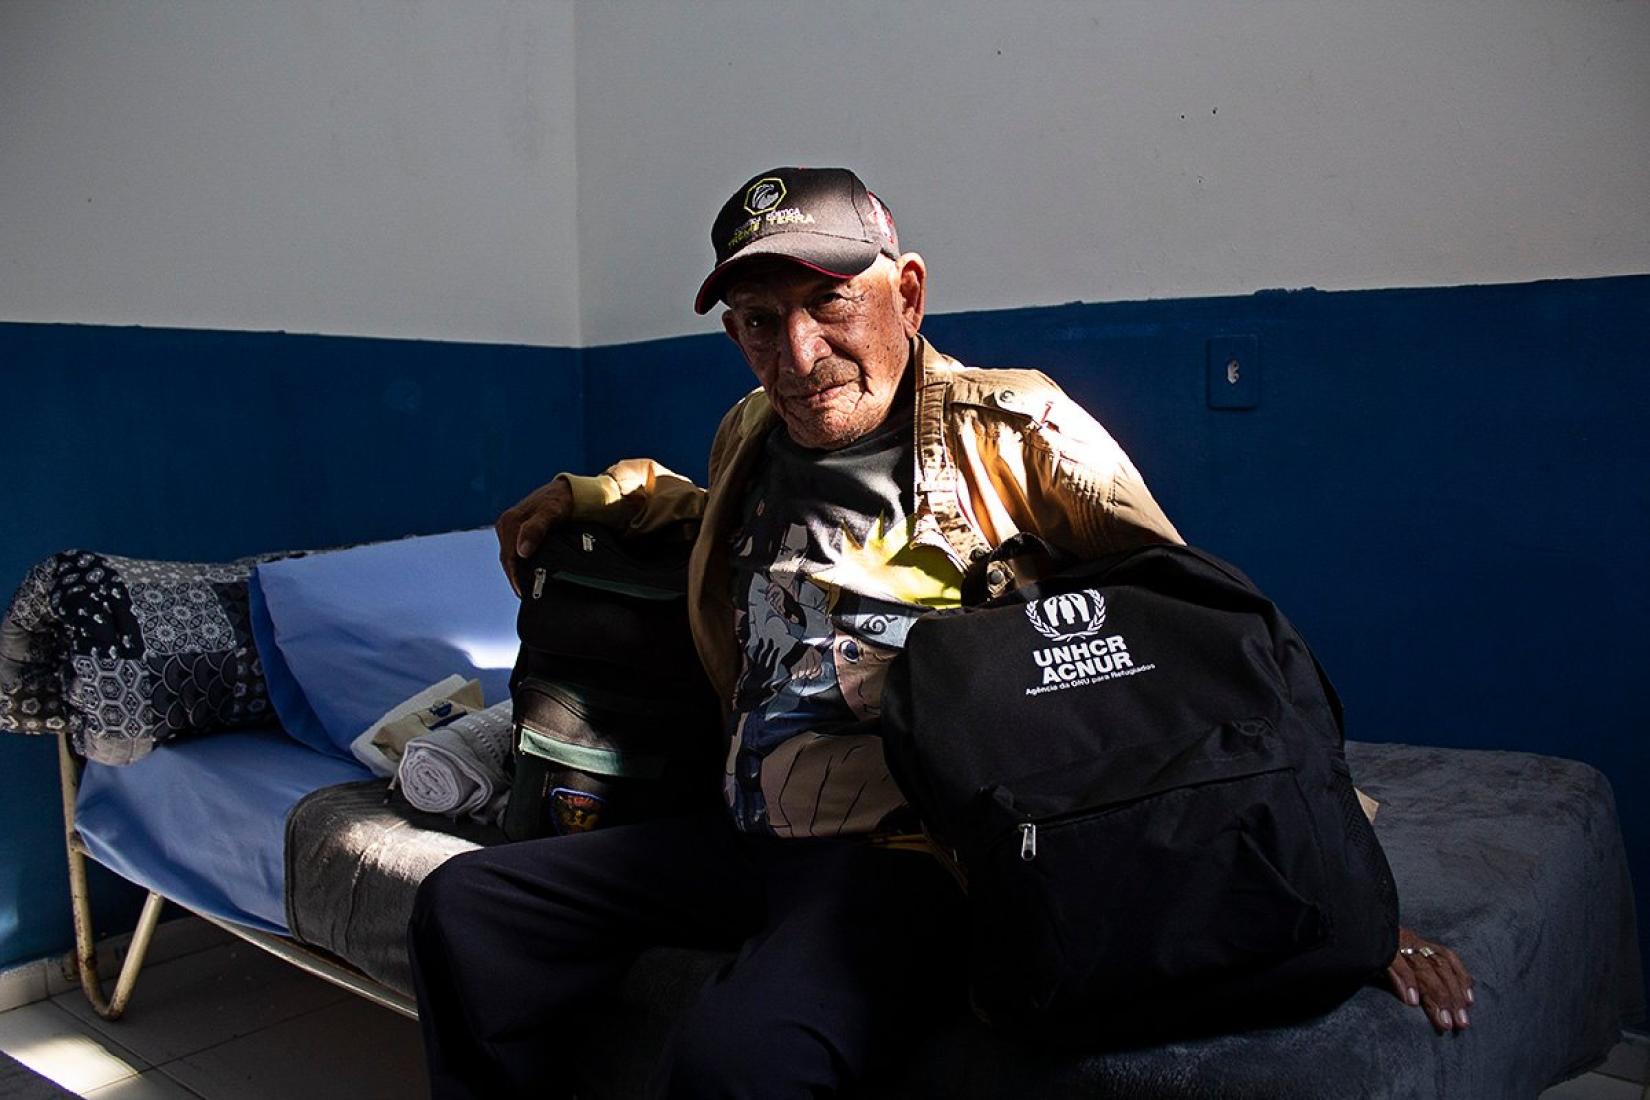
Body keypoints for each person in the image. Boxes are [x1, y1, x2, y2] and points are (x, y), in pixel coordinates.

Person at [409, 166, 1474, 1099]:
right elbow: (704, 512)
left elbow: (1194, 651)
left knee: (738, 1062)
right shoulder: (753, 429)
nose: (798, 352)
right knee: (466, 905)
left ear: (906, 292)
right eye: (756, 321)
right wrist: (591, 494)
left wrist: (1339, 867)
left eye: (828, 304)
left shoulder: (1020, 431)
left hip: (915, 853)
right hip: (746, 831)